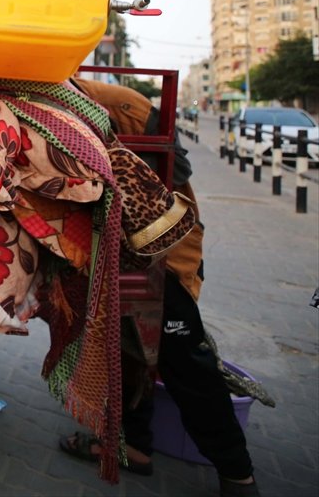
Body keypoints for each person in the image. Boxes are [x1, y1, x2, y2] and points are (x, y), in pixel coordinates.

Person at [58, 79, 259, 497]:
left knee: (184, 362)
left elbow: (178, 169)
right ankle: (135, 445)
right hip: (117, 251)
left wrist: (113, 159)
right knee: (126, 345)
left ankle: (238, 475)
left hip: (162, 251)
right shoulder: (55, 100)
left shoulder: (118, 103)